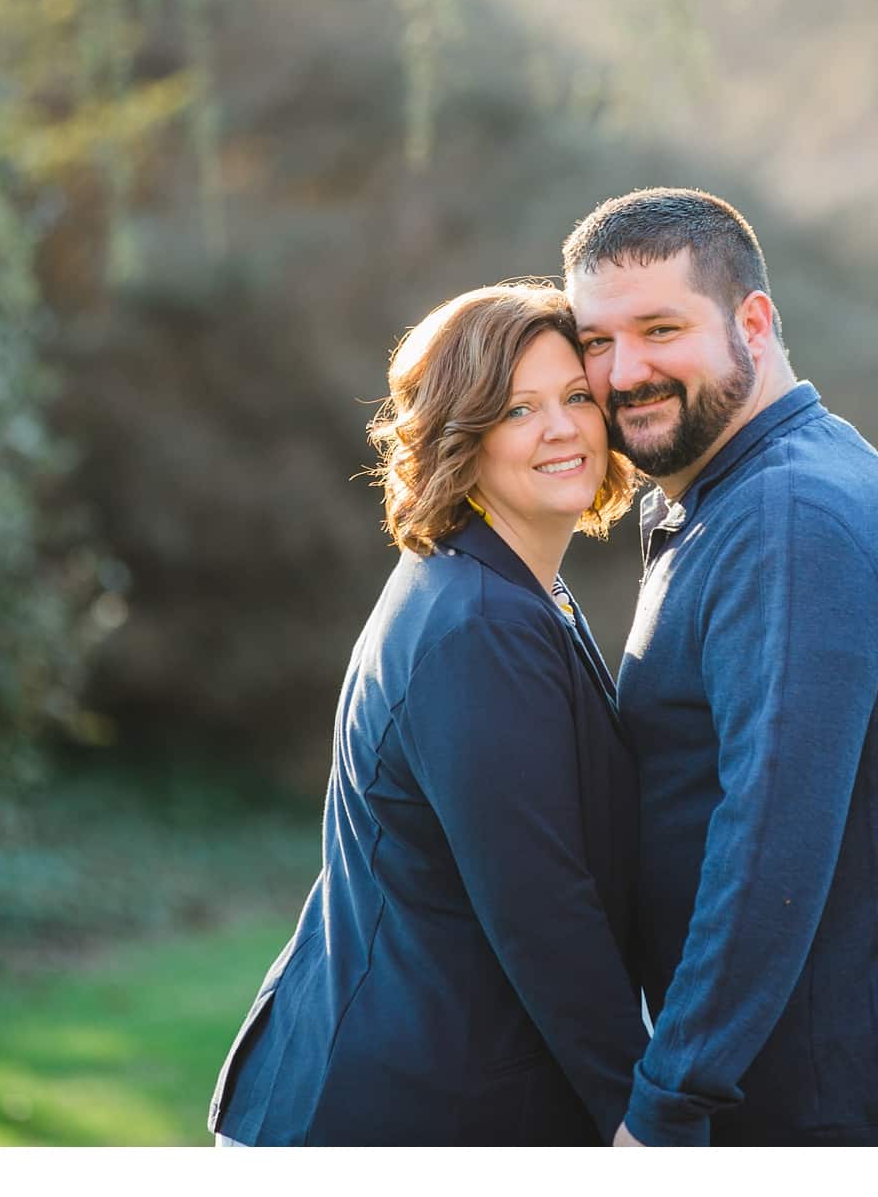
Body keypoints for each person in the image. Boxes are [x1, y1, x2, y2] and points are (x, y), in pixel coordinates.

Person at [563, 188, 878, 1148]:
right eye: (597, 340)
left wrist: (666, 1104)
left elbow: (771, 840)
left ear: (753, 320)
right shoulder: (737, 498)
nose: (625, 371)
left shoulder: (789, 518)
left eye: (661, 327)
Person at [208, 285, 647, 1146]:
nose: (562, 428)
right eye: (519, 408)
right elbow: (540, 905)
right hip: (374, 1114)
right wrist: (642, 1118)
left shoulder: (513, 586)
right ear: (462, 434)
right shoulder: (476, 623)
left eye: (577, 397)